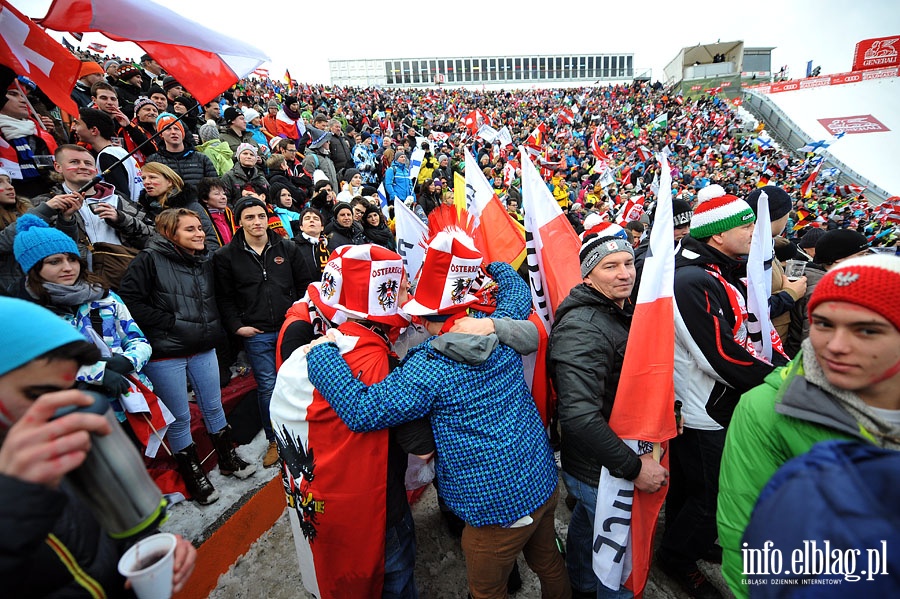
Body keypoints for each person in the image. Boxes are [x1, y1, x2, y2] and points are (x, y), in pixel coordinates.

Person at [306, 233, 571, 599]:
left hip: (494, 508)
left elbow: (363, 409)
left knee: (486, 590)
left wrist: (320, 355)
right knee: (550, 564)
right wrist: (485, 266)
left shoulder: (429, 366)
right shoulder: (496, 324)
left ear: (426, 318)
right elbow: (516, 289)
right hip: (541, 480)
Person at [718, 254, 900, 597]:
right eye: (823, 323)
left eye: (867, 330)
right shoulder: (765, 408)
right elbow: (744, 539)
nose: (836, 346)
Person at [0, 296, 197, 597]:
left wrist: (143, 552)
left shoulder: (55, 452)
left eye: (70, 389)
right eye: (38, 393)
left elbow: (97, 547)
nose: (61, 408)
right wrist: (15, 502)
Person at [270, 244, 432, 599]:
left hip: (327, 510)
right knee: (396, 581)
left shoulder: (316, 349)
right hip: (379, 512)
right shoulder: (381, 365)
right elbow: (416, 443)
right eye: (403, 287)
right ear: (381, 298)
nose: (408, 293)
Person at [656, 194, 777, 599]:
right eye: (746, 226)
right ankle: (676, 557)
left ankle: (687, 539)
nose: (754, 232)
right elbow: (718, 354)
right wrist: (778, 379)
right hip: (704, 406)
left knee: (694, 489)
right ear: (720, 234)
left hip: (712, 401)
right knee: (710, 495)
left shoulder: (712, 269)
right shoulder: (691, 279)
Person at [549, 234, 669, 599]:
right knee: (616, 565)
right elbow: (579, 417)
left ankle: (582, 586)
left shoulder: (618, 309)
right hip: (600, 468)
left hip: (602, 462)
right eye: (610, 266)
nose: (624, 274)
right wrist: (633, 468)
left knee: (588, 527)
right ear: (588, 276)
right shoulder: (583, 327)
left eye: (628, 264)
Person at [119, 208, 256, 504]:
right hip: (167, 353)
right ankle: (193, 474)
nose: (200, 233)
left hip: (203, 346)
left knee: (213, 405)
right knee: (180, 417)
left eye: (199, 228)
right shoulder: (148, 260)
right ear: (170, 233)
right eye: (190, 230)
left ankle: (228, 459)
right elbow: (130, 301)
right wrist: (170, 323)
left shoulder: (203, 259)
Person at [213, 198, 313, 468]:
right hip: (256, 333)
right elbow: (224, 297)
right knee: (268, 387)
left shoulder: (287, 247)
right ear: (239, 221)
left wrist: (299, 317)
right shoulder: (226, 256)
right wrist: (237, 326)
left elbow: (306, 285)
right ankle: (275, 440)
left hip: (289, 328)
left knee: (297, 381)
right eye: (249, 217)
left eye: (260, 216)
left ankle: (305, 433)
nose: (257, 222)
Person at [138, 161, 218, 251]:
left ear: (169, 181)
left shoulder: (191, 206)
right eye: (143, 178)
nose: (146, 182)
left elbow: (211, 240)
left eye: (152, 177)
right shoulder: (144, 209)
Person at [146, 113, 217, 190]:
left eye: (177, 129)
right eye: (168, 129)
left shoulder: (202, 158)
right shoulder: (153, 161)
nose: (173, 132)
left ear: (182, 133)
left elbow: (214, 187)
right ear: (161, 134)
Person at [196, 176, 236, 248]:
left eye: (224, 194)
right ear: (205, 198)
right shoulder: (201, 217)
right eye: (217, 194)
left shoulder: (229, 214)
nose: (223, 197)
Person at [292, 207, 329, 279]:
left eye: (316, 219)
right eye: (307, 218)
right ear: (301, 227)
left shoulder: (330, 246)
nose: (311, 220)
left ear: (322, 227)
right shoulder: (293, 246)